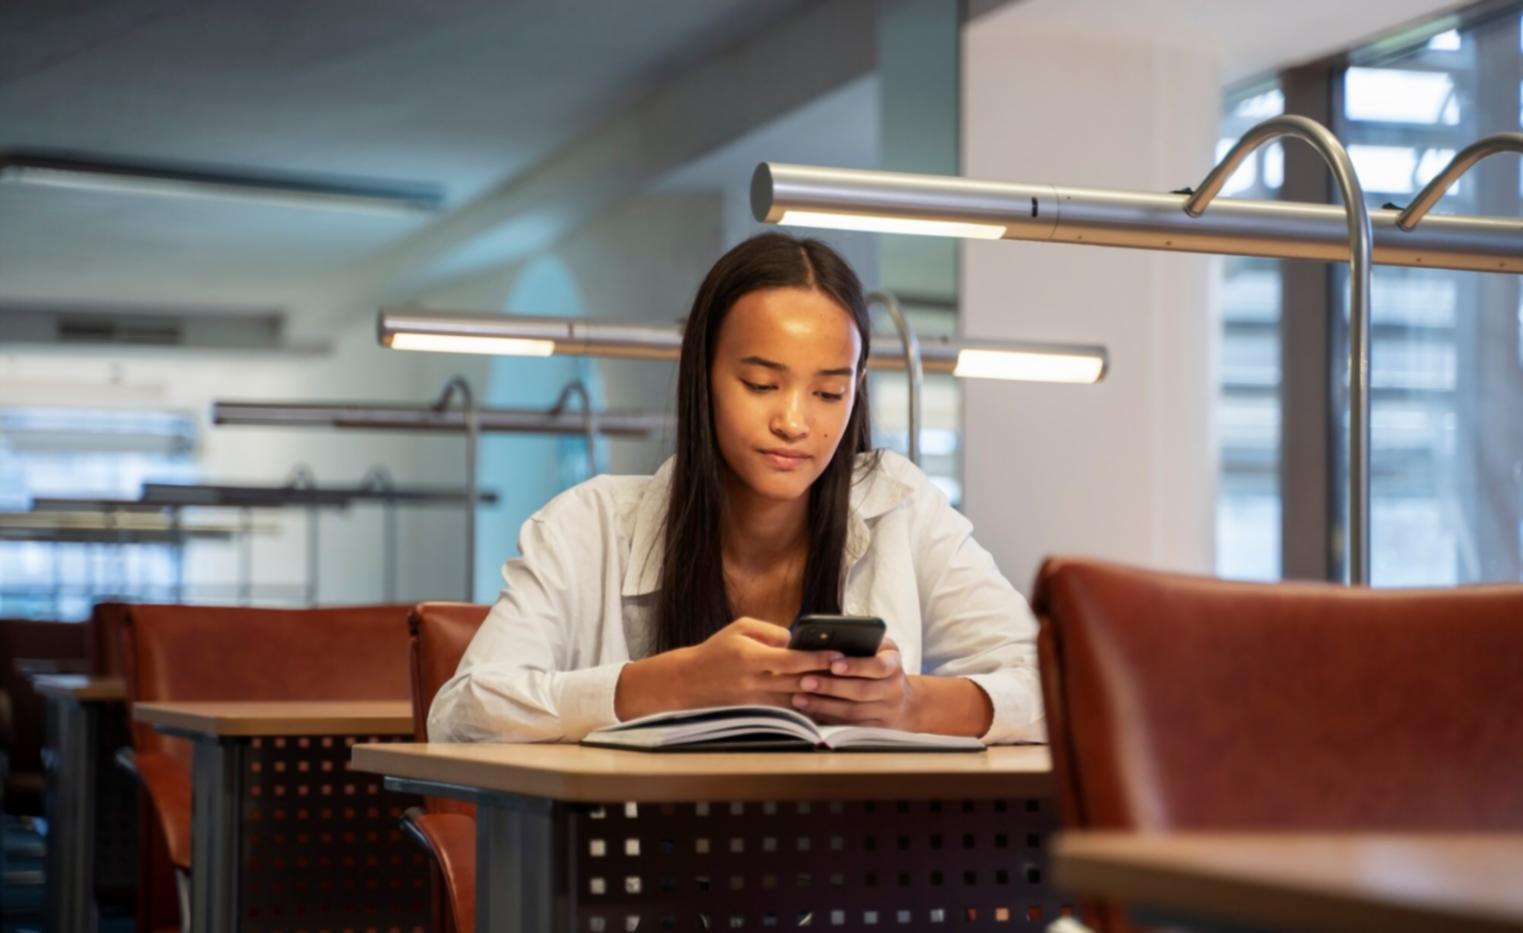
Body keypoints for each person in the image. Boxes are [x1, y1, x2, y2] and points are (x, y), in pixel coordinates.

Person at [429, 233, 1044, 744]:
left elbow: (1055, 687)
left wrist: (909, 704)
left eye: (829, 393)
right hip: (638, 876)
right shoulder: (587, 525)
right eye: (760, 384)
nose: (796, 422)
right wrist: (673, 683)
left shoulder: (897, 504)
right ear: (704, 376)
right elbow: (460, 716)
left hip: (854, 869)